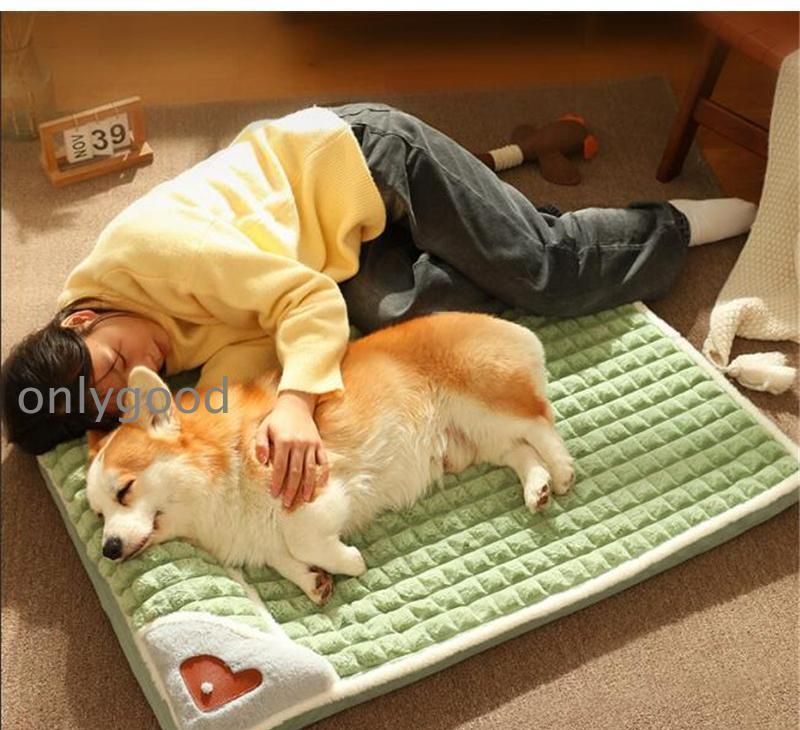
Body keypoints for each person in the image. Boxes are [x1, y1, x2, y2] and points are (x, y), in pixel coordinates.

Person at [1, 103, 756, 510]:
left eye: (117, 359)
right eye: (118, 395)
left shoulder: (155, 249)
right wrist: (239, 428)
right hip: (330, 250)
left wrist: (296, 403)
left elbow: (301, 301)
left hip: (366, 163)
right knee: (400, 326)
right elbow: (247, 358)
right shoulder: (125, 383)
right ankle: (496, 219)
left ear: (82, 319)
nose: (144, 368)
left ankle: (685, 223)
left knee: (545, 275)